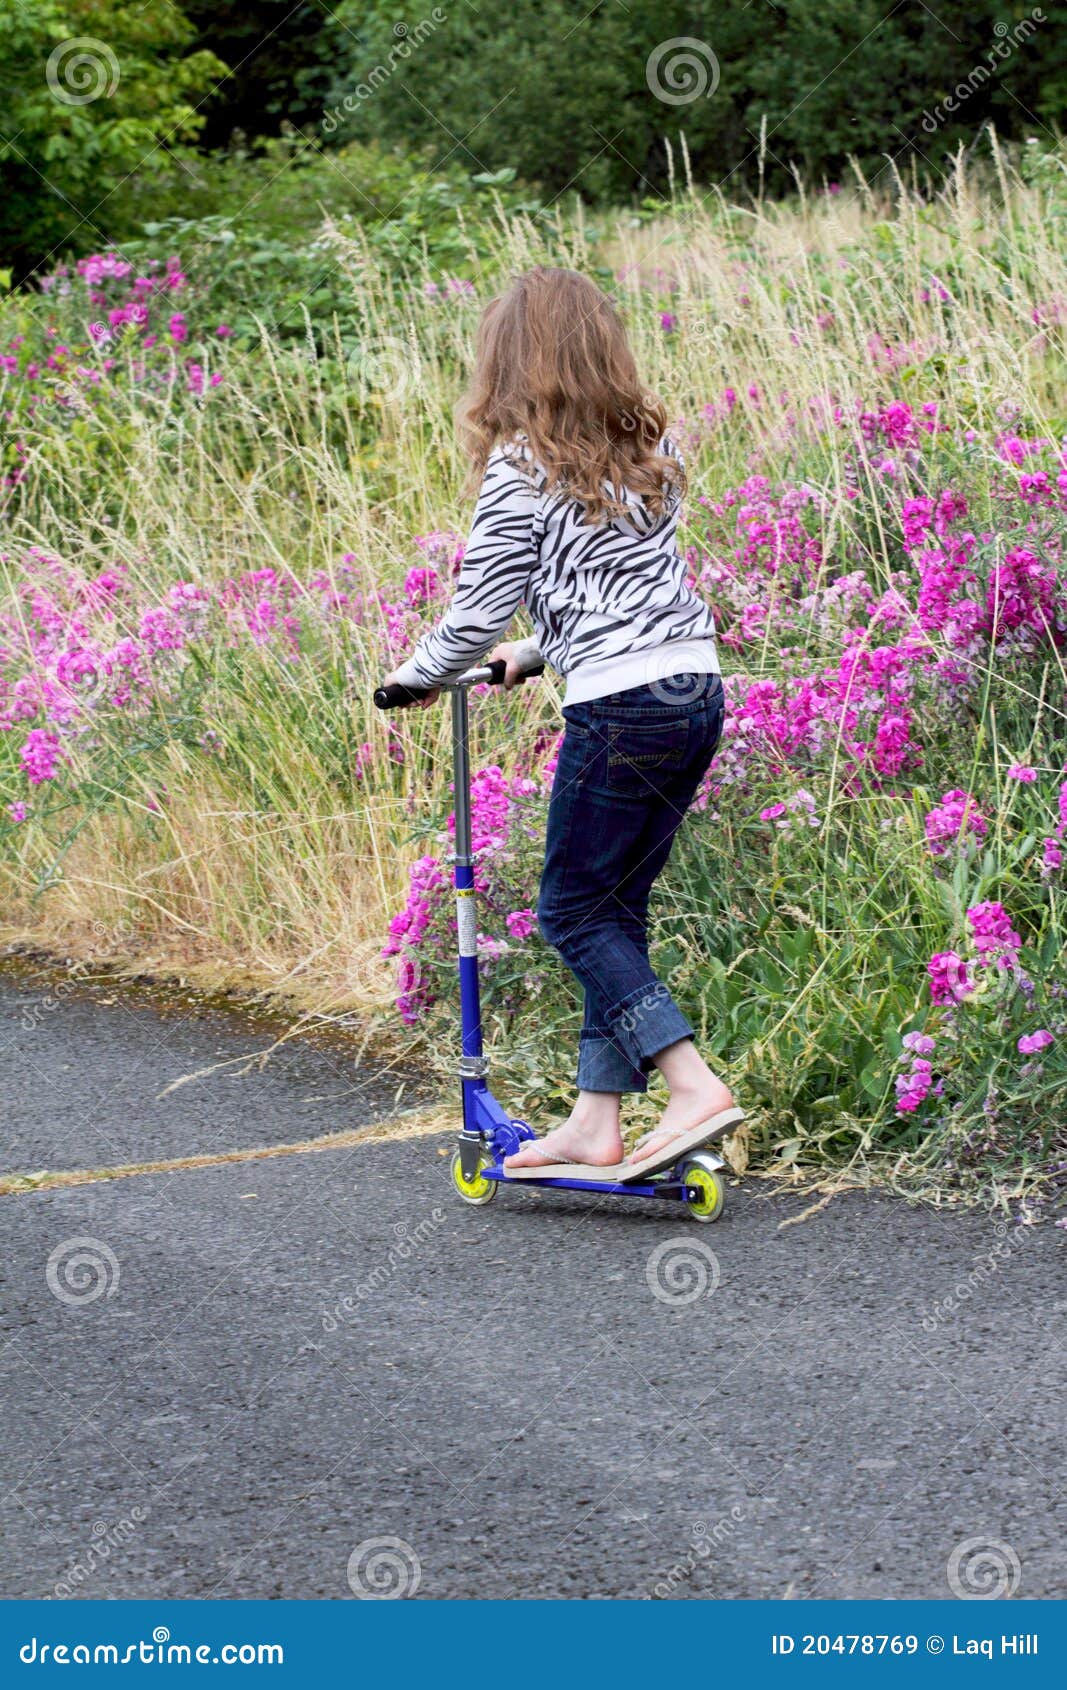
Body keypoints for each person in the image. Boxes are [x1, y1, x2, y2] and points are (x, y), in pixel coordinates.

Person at [382, 266, 741, 1176]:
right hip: (691, 691)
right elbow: (610, 591)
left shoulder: (519, 468)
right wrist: (533, 653)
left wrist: (415, 677)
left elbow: (475, 610)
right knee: (616, 908)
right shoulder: (648, 456)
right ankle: (595, 1117)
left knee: (571, 907)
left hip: (620, 708)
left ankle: (691, 1082)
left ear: (511, 363)